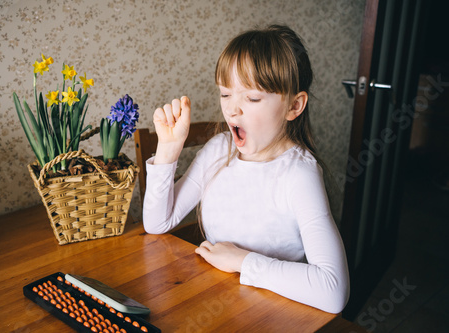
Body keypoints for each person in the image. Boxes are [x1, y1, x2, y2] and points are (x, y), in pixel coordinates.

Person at [143, 24, 349, 314]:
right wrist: (168, 150)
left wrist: (242, 261)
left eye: (252, 98)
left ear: (294, 106)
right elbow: (157, 223)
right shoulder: (219, 150)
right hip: (216, 303)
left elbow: (333, 291)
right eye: (226, 94)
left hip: (272, 313)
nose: (232, 110)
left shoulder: (299, 174)